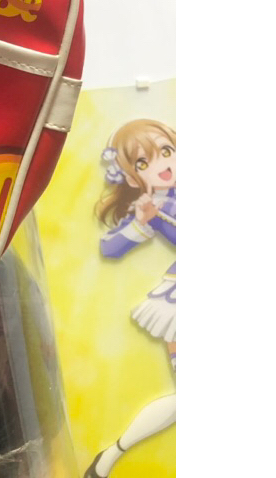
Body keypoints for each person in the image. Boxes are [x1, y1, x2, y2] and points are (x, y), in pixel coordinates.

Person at [85, 120, 176, 478]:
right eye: (143, 161)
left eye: (166, 150)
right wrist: (141, 221)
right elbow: (110, 247)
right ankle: (112, 455)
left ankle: (109, 456)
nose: (162, 163)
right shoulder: (157, 206)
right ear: (132, 178)